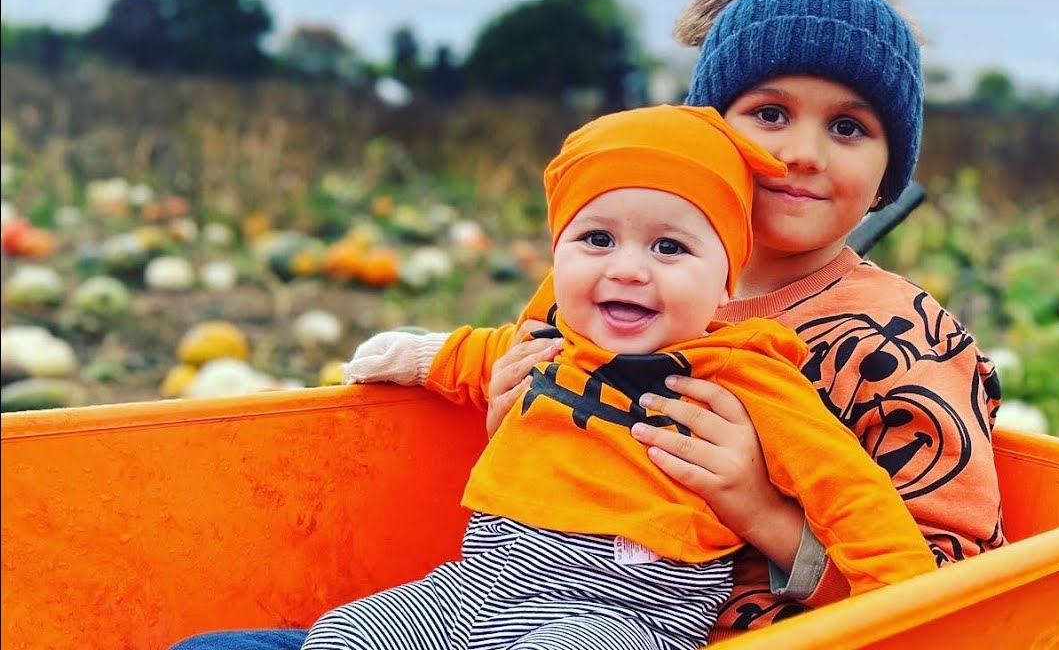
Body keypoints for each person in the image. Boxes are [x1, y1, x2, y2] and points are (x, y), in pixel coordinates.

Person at [170, 0, 1005, 649]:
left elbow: (943, 591)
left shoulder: (902, 342)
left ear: (893, 164)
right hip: (489, 602)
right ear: (705, 129)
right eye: (770, 113)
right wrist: (509, 410)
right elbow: (522, 377)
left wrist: (758, 505)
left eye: (850, 128)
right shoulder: (617, 272)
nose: (798, 153)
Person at [304, 104, 935, 649]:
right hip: (474, 589)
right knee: (346, 633)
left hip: (624, 613)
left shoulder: (744, 375)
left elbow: (849, 491)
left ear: (724, 284)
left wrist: (910, 602)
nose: (629, 269)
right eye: (597, 239)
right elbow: (480, 356)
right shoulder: (551, 340)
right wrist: (416, 357)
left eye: (669, 248)